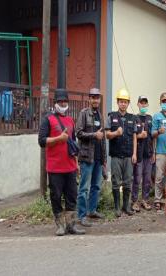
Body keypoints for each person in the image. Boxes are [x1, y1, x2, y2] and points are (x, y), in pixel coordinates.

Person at [38, 88, 85, 236]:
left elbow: (73, 144)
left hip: (70, 167)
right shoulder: (48, 119)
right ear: (55, 102)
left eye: (65, 101)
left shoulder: (70, 120)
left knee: (72, 196)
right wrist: (58, 139)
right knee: (56, 197)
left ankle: (71, 225)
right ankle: (60, 225)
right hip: (55, 168)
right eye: (60, 101)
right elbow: (41, 141)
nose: (63, 103)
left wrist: (76, 164)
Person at [75, 88, 107, 227]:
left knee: (96, 186)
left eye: (97, 97)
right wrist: (94, 135)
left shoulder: (100, 115)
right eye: (93, 97)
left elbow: (103, 137)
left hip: (98, 157)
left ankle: (92, 211)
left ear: (99, 99)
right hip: (87, 157)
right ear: (89, 99)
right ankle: (81, 216)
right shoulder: (83, 114)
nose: (95, 100)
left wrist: (104, 159)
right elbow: (79, 133)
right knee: (84, 188)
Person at [105, 88, 139, 217]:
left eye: (125, 102)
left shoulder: (132, 118)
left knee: (127, 181)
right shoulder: (111, 117)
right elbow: (107, 135)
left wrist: (134, 154)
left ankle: (126, 206)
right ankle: (117, 208)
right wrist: (116, 133)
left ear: (128, 103)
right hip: (116, 156)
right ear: (117, 102)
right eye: (121, 101)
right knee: (115, 182)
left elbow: (135, 137)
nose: (123, 104)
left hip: (129, 156)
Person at [131, 95, 154, 212]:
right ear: (138, 104)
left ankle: (145, 200)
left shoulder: (150, 118)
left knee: (147, 179)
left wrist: (153, 153)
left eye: (145, 103)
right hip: (139, 154)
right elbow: (132, 136)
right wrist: (140, 136)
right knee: (137, 178)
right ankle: (134, 201)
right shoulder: (135, 118)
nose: (143, 105)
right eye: (141, 103)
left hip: (148, 154)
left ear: (147, 105)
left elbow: (153, 137)